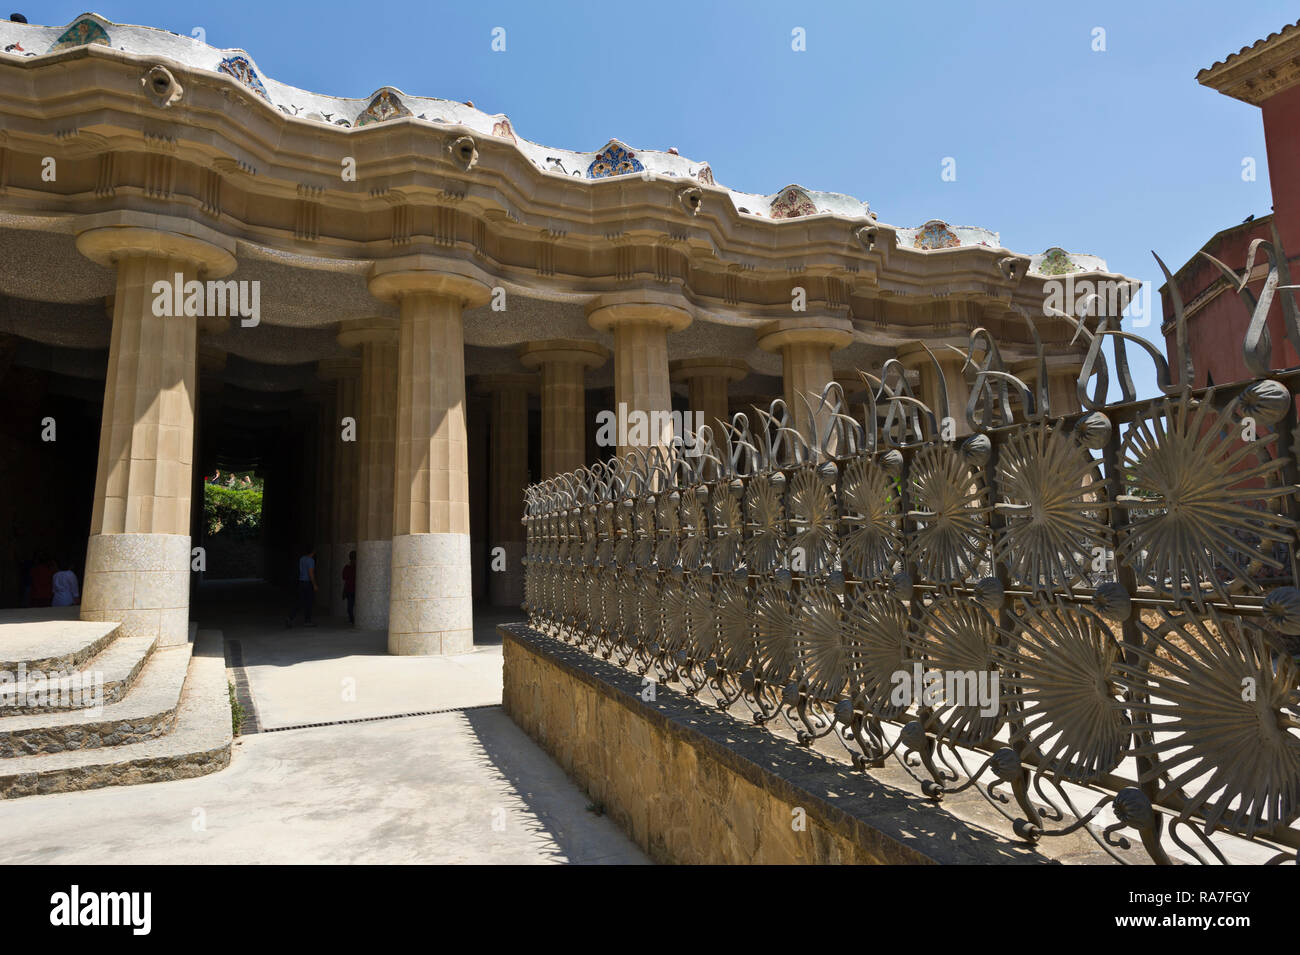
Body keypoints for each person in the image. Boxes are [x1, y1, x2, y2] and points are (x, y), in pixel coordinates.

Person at [285, 545, 318, 628]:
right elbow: (311, 573)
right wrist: (314, 585)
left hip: (301, 582)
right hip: (308, 583)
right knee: (309, 602)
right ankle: (307, 621)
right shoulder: (311, 560)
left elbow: (300, 570)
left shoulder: (302, 559)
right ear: (313, 551)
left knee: (300, 601)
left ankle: (290, 617)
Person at [341, 550, 357, 626]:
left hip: (349, 589)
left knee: (350, 606)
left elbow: (344, 577)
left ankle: (352, 620)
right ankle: (353, 620)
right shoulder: (358, 567)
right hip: (355, 589)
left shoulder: (347, 567)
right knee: (352, 606)